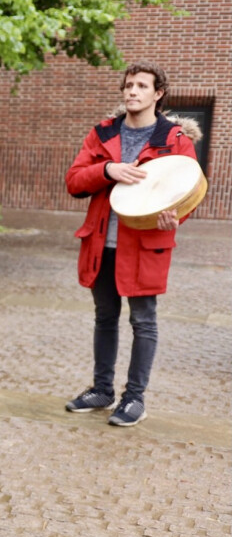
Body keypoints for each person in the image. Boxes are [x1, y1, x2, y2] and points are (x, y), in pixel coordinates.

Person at [64, 62, 200, 427]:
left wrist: (176, 218)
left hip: (145, 245)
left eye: (141, 86)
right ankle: (102, 390)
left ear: (158, 94)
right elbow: (74, 182)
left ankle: (135, 398)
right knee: (104, 318)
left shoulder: (174, 140)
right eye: (128, 85)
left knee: (144, 321)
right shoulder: (103, 133)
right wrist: (107, 170)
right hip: (100, 243)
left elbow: (187, 191)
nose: (132, 91)